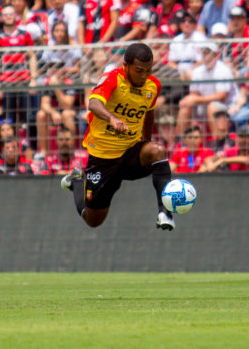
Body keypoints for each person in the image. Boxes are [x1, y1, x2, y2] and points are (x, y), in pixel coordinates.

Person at [59, 42, 175, 231]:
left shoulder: (153, 86)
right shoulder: (113, 78)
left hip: (130, 152)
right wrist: (112, 118)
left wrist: (146, 141)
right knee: (93, 220)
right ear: (126, 65)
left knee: (157, 151)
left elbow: (149, 113)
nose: (144, 75)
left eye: (148, 70)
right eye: (139, 70)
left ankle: (165, 212)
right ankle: (77, 181)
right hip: (103, 158)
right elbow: (94, 103)